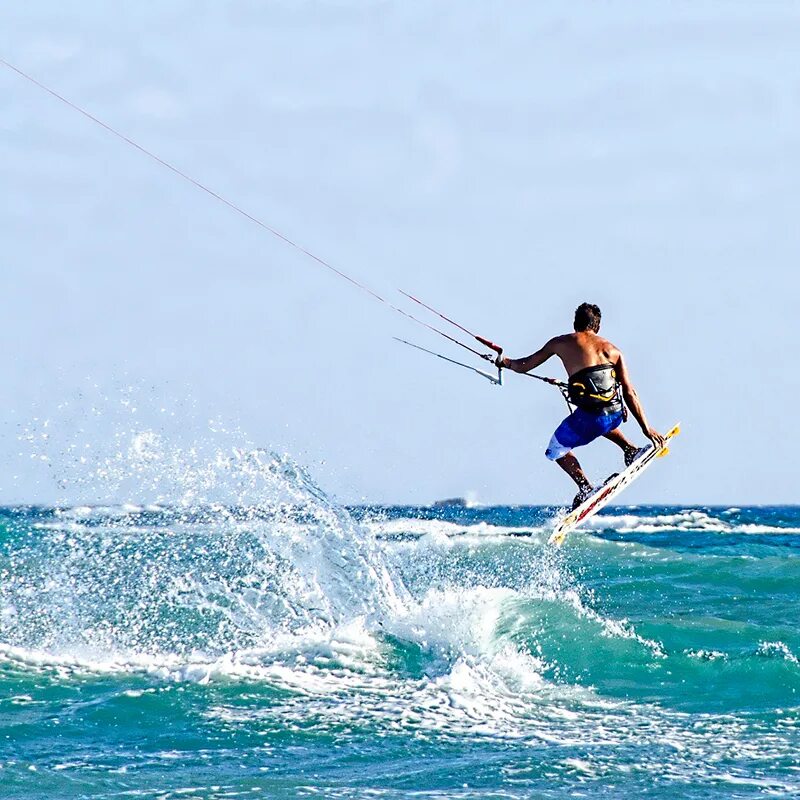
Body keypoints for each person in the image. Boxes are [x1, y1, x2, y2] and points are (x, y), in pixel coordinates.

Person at [498, 303, 665, 509]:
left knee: (556, 449)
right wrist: (646, 428)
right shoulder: (613, 350)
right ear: (598, 327)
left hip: (590, 419)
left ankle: (586, 489)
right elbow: (630, 392)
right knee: (600, 418)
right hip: (614, 414)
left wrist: (504, 362)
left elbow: (523, 366)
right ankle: (631, 450)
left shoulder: (560, 343)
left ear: (574, 324)